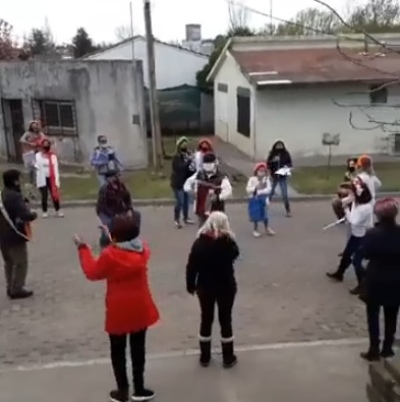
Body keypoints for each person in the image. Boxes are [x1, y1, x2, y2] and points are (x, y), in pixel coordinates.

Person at [74, 215, 159, 401]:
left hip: (118, 308)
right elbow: (125, 241)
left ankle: (122, 390)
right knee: (138, 348)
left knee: (118, 351)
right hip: (140, 305)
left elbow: (92, 272)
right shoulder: (142, 250)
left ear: (115, 237)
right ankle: (139, 388)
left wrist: (83, 248)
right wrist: (111, 234)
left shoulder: (110, 256)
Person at [186, 211, 240, 368]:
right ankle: (228, 357)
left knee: (206, 319)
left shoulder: (199, 243)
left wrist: (190, 284)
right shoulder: (228, 243)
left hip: (205, 287)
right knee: (225, 320)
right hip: (226, 287)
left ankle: (205, 357)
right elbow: (235, 254)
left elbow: (191, 266)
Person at [358, 198, 400, 362]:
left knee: (373, 314)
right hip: (397, 278)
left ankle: (373, 348)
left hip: (376, 278)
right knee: (392, 315)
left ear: (379, 215)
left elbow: (366, 254)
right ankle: (387, 348)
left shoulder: (372, 234)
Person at [326, 177, 373, 295]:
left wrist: (346, 210)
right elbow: (342, 201)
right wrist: (347, 199)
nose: (350, 193)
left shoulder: (365, 208)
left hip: (363, 236)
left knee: (357, 262)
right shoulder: (357, 200)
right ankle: (339, 274)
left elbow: (354, 221)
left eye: (352, 191)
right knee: (347, 254)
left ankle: (364, 284)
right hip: (356, 234)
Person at [0, 169, 37, 299]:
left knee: (9, 263)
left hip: (3, 236)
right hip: (15, 236)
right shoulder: (15, 197)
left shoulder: (3, 193)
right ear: (15, 181)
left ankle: (10, 287)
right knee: (21, 262)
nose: (21, 181)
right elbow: (25, 215)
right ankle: (17, 288)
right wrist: (33, 214)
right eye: (19, 179)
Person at [184, 152, 232, 227]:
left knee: (216, 232)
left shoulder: (222, 177)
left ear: (215, 163)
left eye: (209, 163)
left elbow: (228, 190)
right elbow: (187, 183)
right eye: (206, 163)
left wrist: (218, 197)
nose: (207, 166)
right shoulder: (199, 175)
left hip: (217, 210)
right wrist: (190, 191)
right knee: (203, 232)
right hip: (201, 210)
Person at [96, 171, 138, 248]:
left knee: (129, 221)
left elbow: (127, 198)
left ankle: (126, 240)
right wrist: (114, 215)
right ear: (108, 179)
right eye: (112, 177)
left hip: (117, 210)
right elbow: (104, 206)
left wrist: (129, 209)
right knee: (109, 226)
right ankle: (104, 243)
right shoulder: (104, 190)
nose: (115, 179)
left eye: (116, 177)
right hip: (104, 212)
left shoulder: (121, 186)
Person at [170, 136, 195, 228]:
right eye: (183, 145)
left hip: (185, 183)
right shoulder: (176, 157)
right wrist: (188, 161)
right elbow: (179, 168)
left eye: (186, 145)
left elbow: (188, 170)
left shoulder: (186, 156)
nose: (185, 147)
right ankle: (176, 220)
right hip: (177, 184)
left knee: (186, 202)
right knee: (180, 201)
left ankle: (186, 218)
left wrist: (193, 169)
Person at [35, 139, 63, 218]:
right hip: (42, 178)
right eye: (44, 144)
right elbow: (37, 165)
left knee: (54, 194)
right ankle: (44, 211)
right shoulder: (38, 155)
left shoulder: (53, 156)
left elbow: (55, 167)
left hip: (51, 178)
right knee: (44, 195)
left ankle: (57, 210)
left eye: (47, 144)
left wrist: (57, 179)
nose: (46, 146)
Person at [246, 162, 275, 237]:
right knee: (256, 214)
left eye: (263, 171)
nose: (261, 173)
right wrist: (254, 189)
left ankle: (267, 228)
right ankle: (255, 230)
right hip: (254, 199)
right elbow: (248, 189)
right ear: (256, 171)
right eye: (260, 171)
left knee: (264, 214)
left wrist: (260, 191)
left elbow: (269, 189)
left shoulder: (266, 180)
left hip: (263, 199)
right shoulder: (252, 179)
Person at [19, 120, 46, 200]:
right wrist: (29, 143)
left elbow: (44, 140)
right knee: (30, 173)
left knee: (37, 173)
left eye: (36, 126)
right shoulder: (28, 134)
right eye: (33, 127)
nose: (34, 128)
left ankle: (37, 191)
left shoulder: (40, 134)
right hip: (29, 155)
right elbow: (21, 140)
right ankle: (30, 193)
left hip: (38, 154)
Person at [266, 140, 292, 217]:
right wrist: (273, 161)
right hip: (274, 176)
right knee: (270, 193)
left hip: (282, 176)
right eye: (278, 146)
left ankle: (288, 210)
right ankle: (264, 208)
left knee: (284, 194)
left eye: (281, 146)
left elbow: (290, 163)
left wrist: (286, 166)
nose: (279, 147)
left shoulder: (286, 154)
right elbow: (268, 164)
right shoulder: (272, 154)